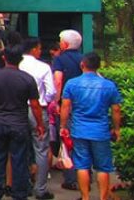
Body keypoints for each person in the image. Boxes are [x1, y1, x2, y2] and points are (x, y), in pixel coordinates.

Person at [0, 45, 45, 200]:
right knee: (19, 160)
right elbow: (35, 105)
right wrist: (39, 124)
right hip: (19, 123)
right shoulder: (27, 78)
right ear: (21, 60)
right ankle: (19, 194)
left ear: (4, 58)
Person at [60, 52, 122, 200]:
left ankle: (85, 197)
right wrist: (117, 129)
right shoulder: (108, 85)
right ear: (98, 67)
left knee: (81, 165)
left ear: (82, 65)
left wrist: (63, 126)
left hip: (79, 130)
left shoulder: (72, 83)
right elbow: (116, 109)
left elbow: (65, 106)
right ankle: (102, 197)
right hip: (100, 131)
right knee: (103, 167)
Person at [19, 39, 57, 200]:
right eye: (39, 49)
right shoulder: (43, 67)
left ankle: (23, 186)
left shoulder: (18, 65)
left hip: (19, 109)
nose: (40, 51)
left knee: (20, 148)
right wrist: (45, 100)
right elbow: (51, 92)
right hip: (38, 109)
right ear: (34, 49)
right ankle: (40, 189)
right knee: (41, 149)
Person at [52, 29, 84, 191]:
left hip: (67, 105)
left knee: (67, 139)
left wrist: (56, 101)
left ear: (64, 44)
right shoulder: (84, 59)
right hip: (83, 105)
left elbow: (58, 80)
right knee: (82, 140)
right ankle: (85, 174)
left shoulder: (60, 59)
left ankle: (71, 178)